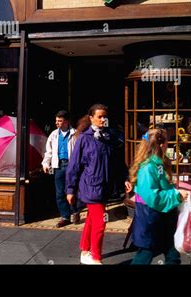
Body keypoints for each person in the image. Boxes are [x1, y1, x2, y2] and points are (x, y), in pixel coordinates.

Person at [129, 128, 189, 264]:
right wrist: (177, 195)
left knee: (172, 254)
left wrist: (174, 192)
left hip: (161, 217)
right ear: (161, 145)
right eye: (167, 141)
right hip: (150, 218)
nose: (168, 144)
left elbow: (160, 189)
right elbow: (152, 197)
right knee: (145, 255)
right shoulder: (148, 167)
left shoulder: (156, 163)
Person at [66, 104, 116, 265]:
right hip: (90, 186)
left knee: (91, 220)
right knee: (100, 222)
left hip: (104, 186)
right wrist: (70, 189)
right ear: (91, 118)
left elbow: (114, 162)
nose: (103, 119)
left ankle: (85, 249)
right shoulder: (83, 138)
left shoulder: (107, 136)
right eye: (100, 116)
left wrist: (125, 179)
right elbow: (73, 166)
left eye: (104, 116)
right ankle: (95, 257)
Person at [41, 110, 79, 228]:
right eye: (56, 120)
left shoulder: (75, 134)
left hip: (71, 166)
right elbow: (49, 151)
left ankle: (75, 211)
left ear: (66, 122)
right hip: (58, 166)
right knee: (59, 193)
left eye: (60, 121)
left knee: (72, 191)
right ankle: (65, 217)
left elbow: (79, 152)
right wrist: (45, 163)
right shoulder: (53, 134)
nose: (57, 123)